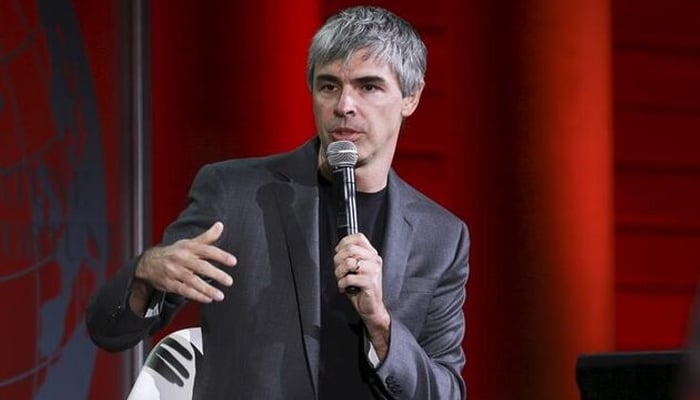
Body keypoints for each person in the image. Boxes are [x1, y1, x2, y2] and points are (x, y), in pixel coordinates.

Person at [86, 6, 470, 399]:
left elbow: (445, 393)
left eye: (368, 87)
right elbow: (109, 330)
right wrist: (145, 274)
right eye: (328, 86)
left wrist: (381, 323)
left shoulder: (440, 236)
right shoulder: (234, 193)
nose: (344, 106)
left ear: (411, 97)